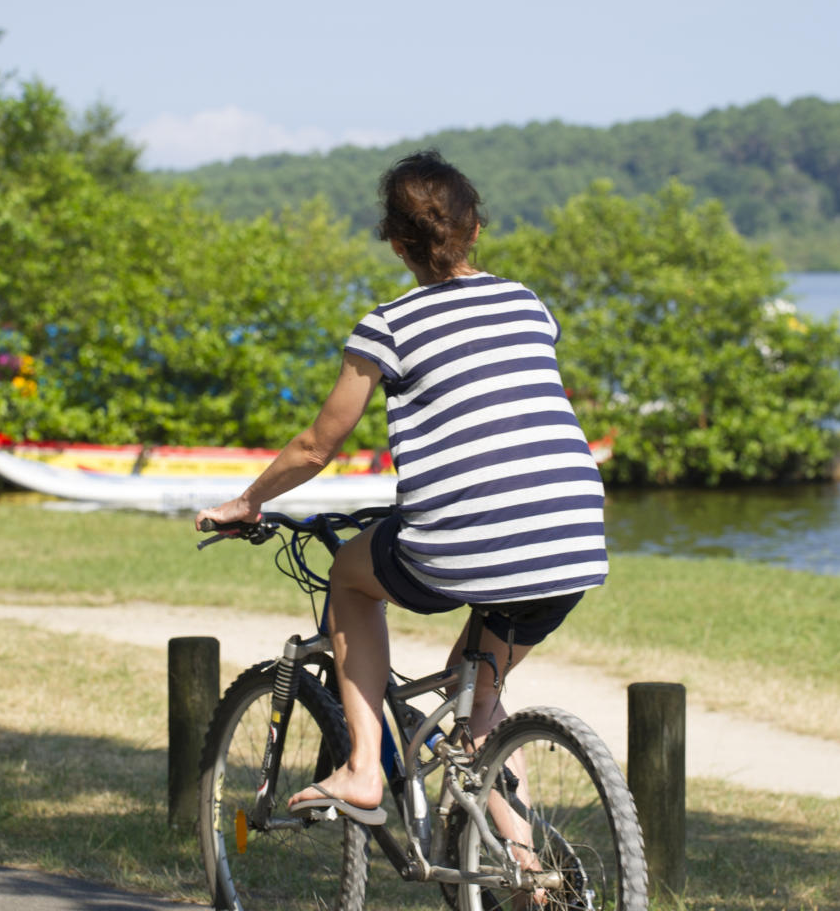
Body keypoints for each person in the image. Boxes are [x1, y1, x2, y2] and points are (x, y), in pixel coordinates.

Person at [194, 149, 608, 829]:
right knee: (479, 697)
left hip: (468, 537)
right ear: (476, 229)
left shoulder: (388, 326)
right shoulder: (526, 302)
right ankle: (530, 868)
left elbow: (317, 445)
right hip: (572, 536)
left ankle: (362, 769)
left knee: (350, 579)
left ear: (395, 242)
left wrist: (248, 502)